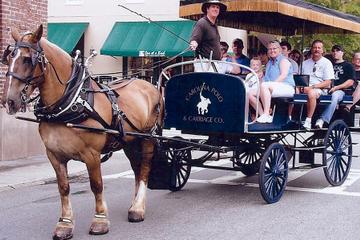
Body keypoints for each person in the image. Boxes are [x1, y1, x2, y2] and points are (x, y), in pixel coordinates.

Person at [257, 40, 295, 123]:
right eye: (270, 49)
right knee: (250, 92)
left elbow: (283, 75)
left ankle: (266, 114)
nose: (272, 50)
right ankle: (262, 114)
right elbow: (266, 79)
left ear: (280, 50)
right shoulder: (269, 63)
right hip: (274, 87)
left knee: (264, 86)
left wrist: (270, 84)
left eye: (274, 48)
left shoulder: (283, 60)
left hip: (287, 87)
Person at [301, 40, 334, 130]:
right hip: (304, 88)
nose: (317, 49)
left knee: (311, 93)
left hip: (320, 89)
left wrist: (312, 87)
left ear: (323, 50)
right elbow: (299, 78)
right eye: (315, 47)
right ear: (311, 49)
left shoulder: (327, 63)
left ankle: (308, 120)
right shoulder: (305, 63)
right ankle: (290, 118)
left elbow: (328, 82)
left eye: (319, 48)